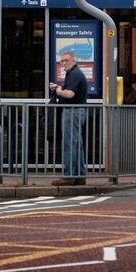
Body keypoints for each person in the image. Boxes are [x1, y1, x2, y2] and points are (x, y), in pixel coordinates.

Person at [48, 50, 88, 185]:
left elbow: (70, 94)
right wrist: (59, 88)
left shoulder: (75, 74)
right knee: (77, 144)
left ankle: (68, 176)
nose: (63, 63)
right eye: (61, 61)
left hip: (72, 112)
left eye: (65, 60)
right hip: (76, 111)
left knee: (70, 144)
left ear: (73, 61)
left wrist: (59, 91)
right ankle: (80, 175)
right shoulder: (73, 74)